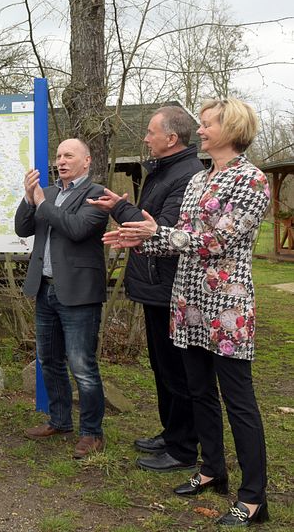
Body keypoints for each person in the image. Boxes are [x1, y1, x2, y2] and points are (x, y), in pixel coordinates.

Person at [104, 98, 270, 527]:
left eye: (209, 123)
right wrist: (138, 238)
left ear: (231, 128)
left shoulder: (250, 181)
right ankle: (212, 469)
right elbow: (184, 236)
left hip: (227, 307)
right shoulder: (201, 179)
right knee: (199, 392)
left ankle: (253, 497)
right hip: (188, 302)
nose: (201, 129)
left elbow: (216, 241)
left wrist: (159, 233)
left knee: (239, 402)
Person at [88, 106, 203, 472]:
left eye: (151, 132)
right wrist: (122, 208)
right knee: (162, 367)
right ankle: (171, 434)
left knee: (176, 371)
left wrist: (121, 207)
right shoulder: (166, 171)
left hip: (170, 286)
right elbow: (149, 221)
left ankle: (184, 448)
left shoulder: (186, 176)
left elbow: (163, 230)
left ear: (171, 138)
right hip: (155, 286)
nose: (145, 137)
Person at [14, 138, 109, 459]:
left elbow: (76, 228)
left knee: (82, 365)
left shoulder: (96, 195)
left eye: (69, 155)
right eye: (58, 155)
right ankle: (59, 420)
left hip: (79, 293)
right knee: (49, 360)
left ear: (87, 160)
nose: (61, 161)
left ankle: (92, 433)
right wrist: (29, 199)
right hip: (46, 289)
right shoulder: (49, 193)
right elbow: (21, 229)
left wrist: (42, 203)